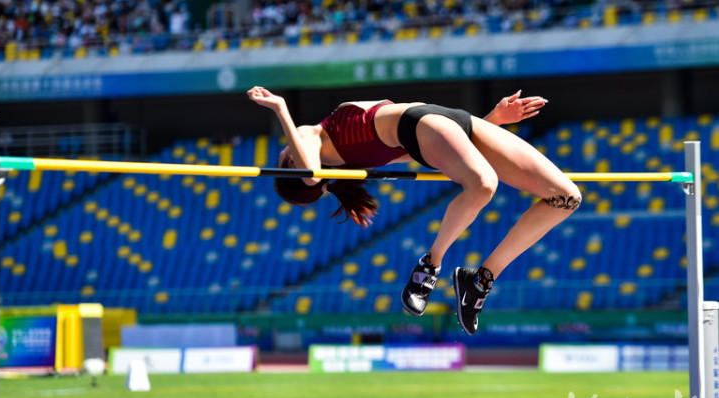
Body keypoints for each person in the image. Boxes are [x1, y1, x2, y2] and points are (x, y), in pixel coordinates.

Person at [247, 86, 581, 335]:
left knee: (566, 197)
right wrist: (280, 109)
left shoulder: (326, 140)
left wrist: (493, 121)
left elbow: (428, 151)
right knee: (483, 185)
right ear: (291, 163)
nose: (288, 150)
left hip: (449, 121)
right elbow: (310, 175)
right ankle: (430, 264)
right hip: (425, 126)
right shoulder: (309, 138)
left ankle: (479, 279)